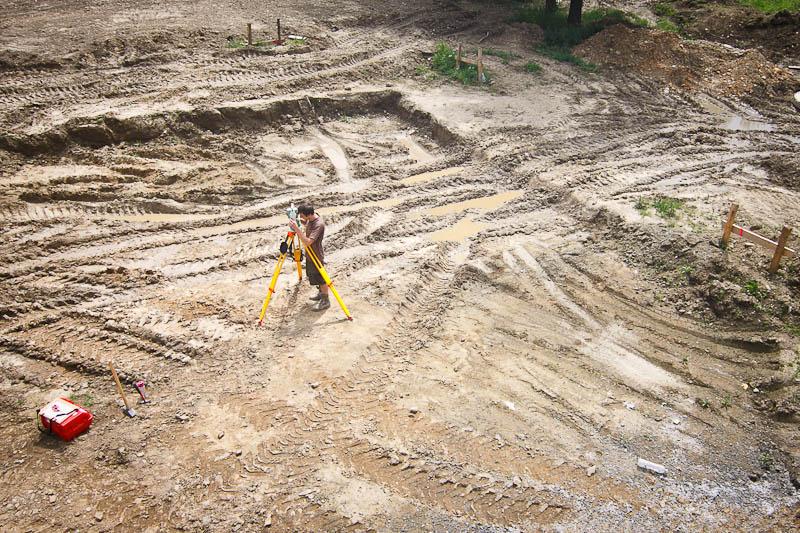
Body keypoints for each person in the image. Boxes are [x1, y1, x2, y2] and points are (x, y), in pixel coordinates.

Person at [288, 205, 329, 311]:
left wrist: (296, 229)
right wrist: (298, 221)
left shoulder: (318, 224)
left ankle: (326, 301)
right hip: (310, 255)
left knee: (321, 279)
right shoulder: (311, 219)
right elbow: (307, 223)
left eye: (302, 215)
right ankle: (321, 294)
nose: (301, 217)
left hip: (316, 255)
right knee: (314, 276)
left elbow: (308, 242)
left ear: (309, 214)